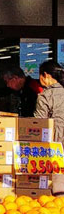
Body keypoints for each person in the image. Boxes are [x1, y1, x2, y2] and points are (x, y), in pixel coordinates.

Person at [35, 60, 64, 196]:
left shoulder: (45, 96)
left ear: (46, 75)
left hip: (56, 145)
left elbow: (39, 123)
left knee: (57, 186)